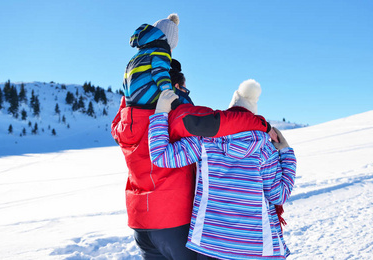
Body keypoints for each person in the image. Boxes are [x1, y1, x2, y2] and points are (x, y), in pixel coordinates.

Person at [112, 71, 277, 259]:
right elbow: (224, 120)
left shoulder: (126, 119)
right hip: (173, 218)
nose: (186, 93)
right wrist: (262, 124)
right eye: (184, 88)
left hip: (140, 220)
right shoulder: (178, 114)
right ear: (174, 88)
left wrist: (127, 101)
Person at [147, 80, 297, 259]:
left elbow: (160, 155)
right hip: (257, 248)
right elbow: (278, 195)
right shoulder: (265, 148)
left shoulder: (205, 142)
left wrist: (161, 113)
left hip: (211, 246)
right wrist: (286, 154)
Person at [123, 13, 179, 107]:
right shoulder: (160, 51)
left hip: (130, 100)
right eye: (172, 47)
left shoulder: (138, 56)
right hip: (146, 96)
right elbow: (160, 72)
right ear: (167, 42)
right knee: (181, 95)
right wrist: (168, 93)